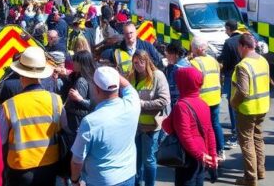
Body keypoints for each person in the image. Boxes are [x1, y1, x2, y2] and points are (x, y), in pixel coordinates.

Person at [0, 46, 64, 186]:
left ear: (21, 75)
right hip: (50, 165)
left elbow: (1, 140)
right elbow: (62, 130)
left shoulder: (9, 106)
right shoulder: (56, 100)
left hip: (20, 169)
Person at [70, 67, 140, 186]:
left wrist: (75, 181)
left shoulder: (90, 122)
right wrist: (112, 74)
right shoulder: (133, 103)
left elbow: (77, 161)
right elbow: (127, 86)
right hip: (129, 175)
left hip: (101, 181)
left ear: (96, 89)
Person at [161, 67, 219, 186]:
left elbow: (184, 135)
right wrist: (212, 154)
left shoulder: (181, 106)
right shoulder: (203, 103)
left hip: (187, 155)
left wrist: (165, 121)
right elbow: (209, 131)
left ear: (183, 83)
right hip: (202, 153)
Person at [230, 33, 269, 186]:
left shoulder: (243, 65)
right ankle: (260, 171)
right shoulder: (263, 60)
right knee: (258, 138)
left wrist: (233, 103)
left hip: (247, 109)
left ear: (244, 46)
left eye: (239, 47)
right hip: (262, 106)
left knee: (246, 142)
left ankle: (250, 178)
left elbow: (243, 91)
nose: (238, 50)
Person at [129, 51, 170, 186]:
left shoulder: (158, 76)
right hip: (135, 126)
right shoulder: (132, 77)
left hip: (150, 126)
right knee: (136, 160)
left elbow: (164, 100)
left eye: (141, 61)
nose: (138, 65)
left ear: (147, 61)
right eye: (135, 62)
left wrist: (143, 104)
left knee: (148, 160)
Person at [189, 37, 225, 158]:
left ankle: (207, 152)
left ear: (198, 49)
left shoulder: (194, 63)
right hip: (215, 97)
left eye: (192, 47)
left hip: (203, 100)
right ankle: (220, 150)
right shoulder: (213, 60)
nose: (191, 49)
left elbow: (193, 83)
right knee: (215, 124)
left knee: (203, 128)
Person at [61, 51, 96, 150]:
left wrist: (80, 99)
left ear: (82, 63)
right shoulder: (81, 76)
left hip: (78, 122)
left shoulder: (82, 80)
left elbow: (95, 104)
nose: (73, 63)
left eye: (75, 61)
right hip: (77, 121)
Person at [219, 20, 245, 149]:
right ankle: (242, 132)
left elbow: (225, 61)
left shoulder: (228, 42)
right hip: (245, 75)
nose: (225, 31)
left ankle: (235, 134)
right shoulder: (244, 38)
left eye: (225, 29)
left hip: (231, 76)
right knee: (241, 105)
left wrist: (222, 70)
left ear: (229, 29)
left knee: (232, 104)